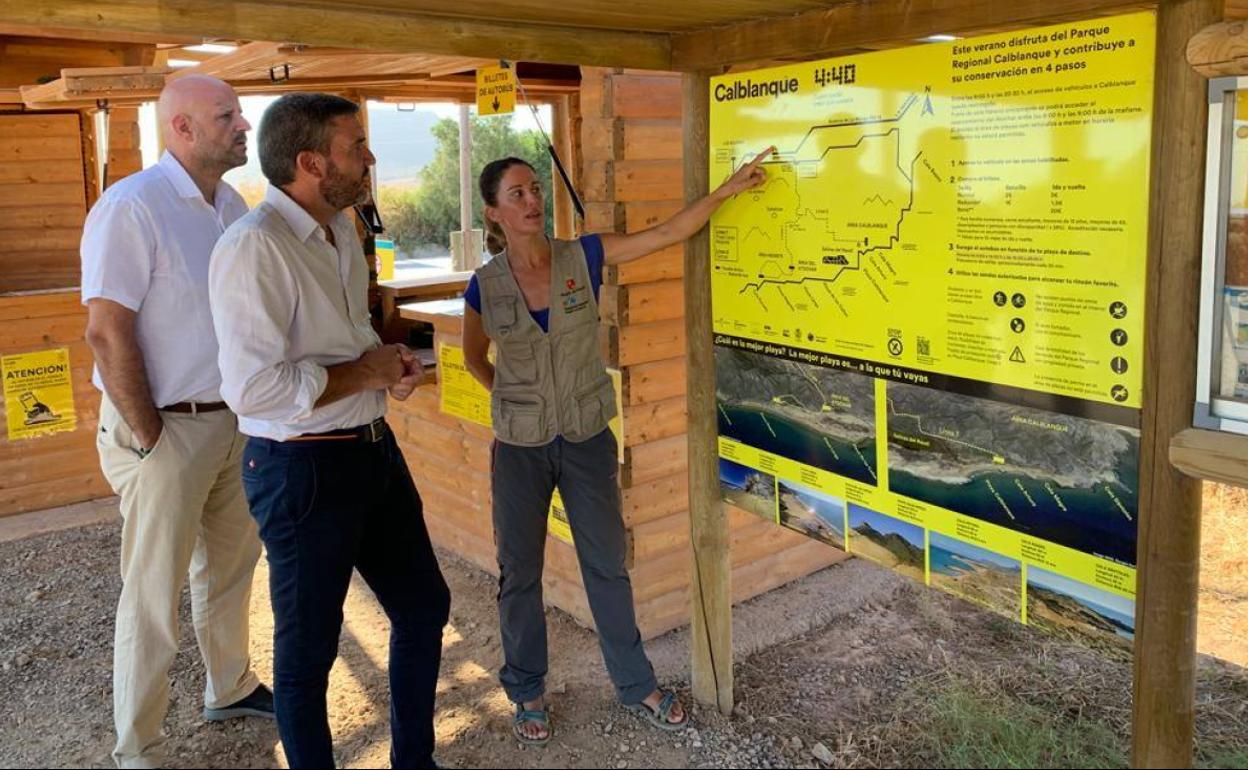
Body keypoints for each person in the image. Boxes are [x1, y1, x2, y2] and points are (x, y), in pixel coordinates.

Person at [462, 147, 772, 745]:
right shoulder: (485, 286)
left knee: (606, 565)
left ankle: (636, 685)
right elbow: (475, 357)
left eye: (535, 190)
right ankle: (527, 692)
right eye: (518, 195)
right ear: (493, 212)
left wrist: (728, 188)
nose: (532, 202)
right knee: (518, 573)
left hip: (585, 441)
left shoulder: (584, 254)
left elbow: (669, 231)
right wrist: (515, 402)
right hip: (520, 450)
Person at [208, 92, 450, 769]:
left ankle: (414, 761)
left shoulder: (343, 229)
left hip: (372, 451)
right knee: (308, 652)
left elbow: (345, 343)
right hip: (301, 470)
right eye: (357, 147)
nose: (370, 159)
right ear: (311, 162)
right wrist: (361, 371)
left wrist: (385, 365)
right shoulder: (252, 248)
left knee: (425, 608)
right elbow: (253, 389)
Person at [80, 75, 272, 769]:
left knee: (229, 569)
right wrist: (151, 434)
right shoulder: (133, 206)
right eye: (227, 116)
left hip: (231, 422)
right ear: (182, 129)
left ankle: (230, 685)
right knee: (153, 592)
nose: (243, 125)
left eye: (240, 114)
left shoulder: (230, 205)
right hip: (166, 427)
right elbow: (106, 331)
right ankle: (139, 747)